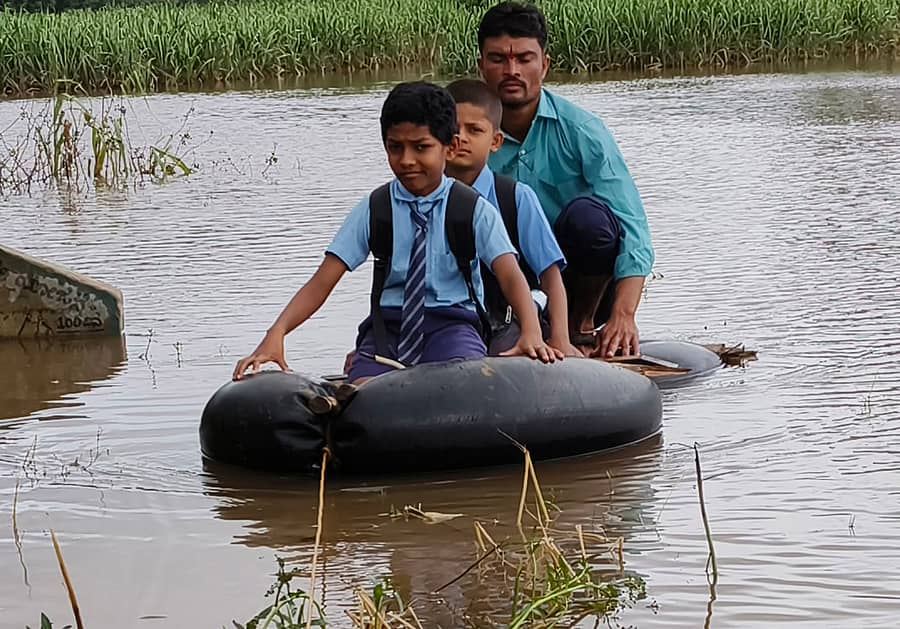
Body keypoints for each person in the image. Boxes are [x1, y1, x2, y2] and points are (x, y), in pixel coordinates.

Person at [233, 81, 561, 383]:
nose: (406, 160)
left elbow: (510, 277)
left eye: (421, 147)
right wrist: (277, 332)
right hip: (386, 331)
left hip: (453, 327)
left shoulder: (473, 209)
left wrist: (531, 332)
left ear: (449, 147)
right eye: (395, 147)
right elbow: (322, 281)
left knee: (463, 384)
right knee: (363, 393)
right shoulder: (375, 208)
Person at [477, 2, 655, 358]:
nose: (512, 71)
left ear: (544, 65)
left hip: (573, 277)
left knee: (590, 220)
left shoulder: (582, 130)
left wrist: (624, 315)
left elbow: (633, 228)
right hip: (496, 276)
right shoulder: (461, 136)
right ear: (481, 66)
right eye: (498, 60)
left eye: (524, 59)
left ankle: (579, 328)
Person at [444, 78, 578, 358]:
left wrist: (560, 339)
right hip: (447, 323)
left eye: (474, 130)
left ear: (495, 142)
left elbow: (550, 276)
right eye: (452, 130)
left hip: (509, 323)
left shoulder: (515, 198)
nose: (461, 139)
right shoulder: (421, 199)